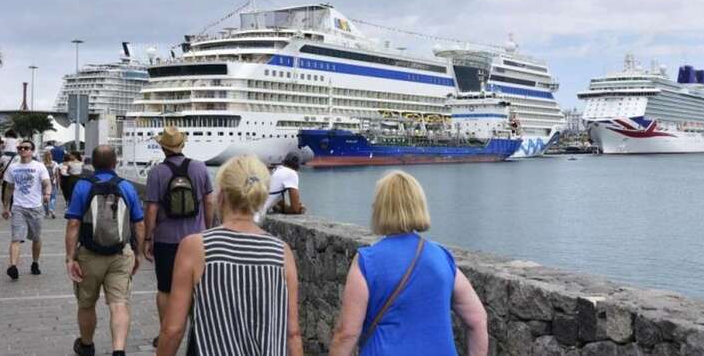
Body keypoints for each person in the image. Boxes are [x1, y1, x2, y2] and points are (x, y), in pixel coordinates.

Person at [329, 170, 488, 356]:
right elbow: (477, 319)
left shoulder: (367, 261)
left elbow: (347, 334)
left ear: (380, 208)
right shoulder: (442, 257)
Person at [156, 154, 303, 356]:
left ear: (222, 195)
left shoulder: (196, 247)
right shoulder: (282, 252)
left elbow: (172, 330)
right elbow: (292, 333)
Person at [64, 145, 145, 356]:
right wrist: (138, 253)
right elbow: (139, 223)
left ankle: (87, 345)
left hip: (89, 256)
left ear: (92, 163)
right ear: (115, 163)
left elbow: (73, 224)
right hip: (119, 255)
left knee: (87, 303)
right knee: (119, 304)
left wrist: (70, 258)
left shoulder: (82, 186)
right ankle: (118, 350)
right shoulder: (126, 186)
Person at [144, 126, 214, 348]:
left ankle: (166, 332)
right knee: (197, 288)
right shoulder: (200, 167)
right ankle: (197, 334)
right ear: (182, 145)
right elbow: (210, 201)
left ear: (163, 148)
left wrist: (148, 238)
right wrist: (207, 229)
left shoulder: (157, 172)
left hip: (166, 241)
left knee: (165, 288)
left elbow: (152, 209)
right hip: (196, 240)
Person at [2, 139, 51, 280]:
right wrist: (6, 207)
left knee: (36, 238)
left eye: (26, 148)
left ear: (32, 151)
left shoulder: (39, 166)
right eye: (20, 148)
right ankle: (13, 266)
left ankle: (35, 263)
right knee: (16, 238)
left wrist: (47, 194)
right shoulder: (13, 167)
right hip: (18, 207)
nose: (23, 150)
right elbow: (9, 188)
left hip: (35, 207)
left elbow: (46, 182)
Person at [254, 151, 305, 223]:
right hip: (254, 216)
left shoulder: (276, 170)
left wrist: (283, 208)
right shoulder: (292, 173)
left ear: (284, 162)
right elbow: (295, 209)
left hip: (248, 209)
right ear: (298, 167)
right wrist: (300, 209)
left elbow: (274, 197)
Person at [42, 150, 59, 218]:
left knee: (45, 197)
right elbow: (57, 175)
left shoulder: (41, 164)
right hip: (53, 182)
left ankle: (46, 213)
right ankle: (51, 209)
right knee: (53, 197)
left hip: (44, 183)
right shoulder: (55, 163)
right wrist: (58, 183)